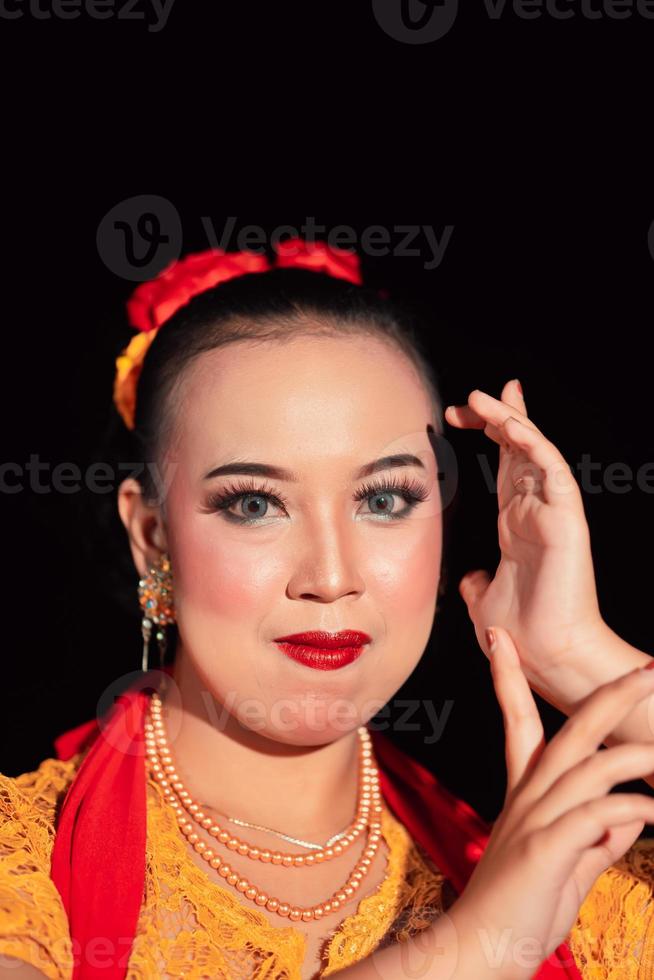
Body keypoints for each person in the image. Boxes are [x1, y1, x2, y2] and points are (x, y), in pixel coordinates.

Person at [0, 237, 653, 980]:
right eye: (254, 503)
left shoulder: (557, 892)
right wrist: (472, 948)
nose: (332, 576)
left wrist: (576, 652)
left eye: (383, 500)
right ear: (153, 539)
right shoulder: (24, 866)